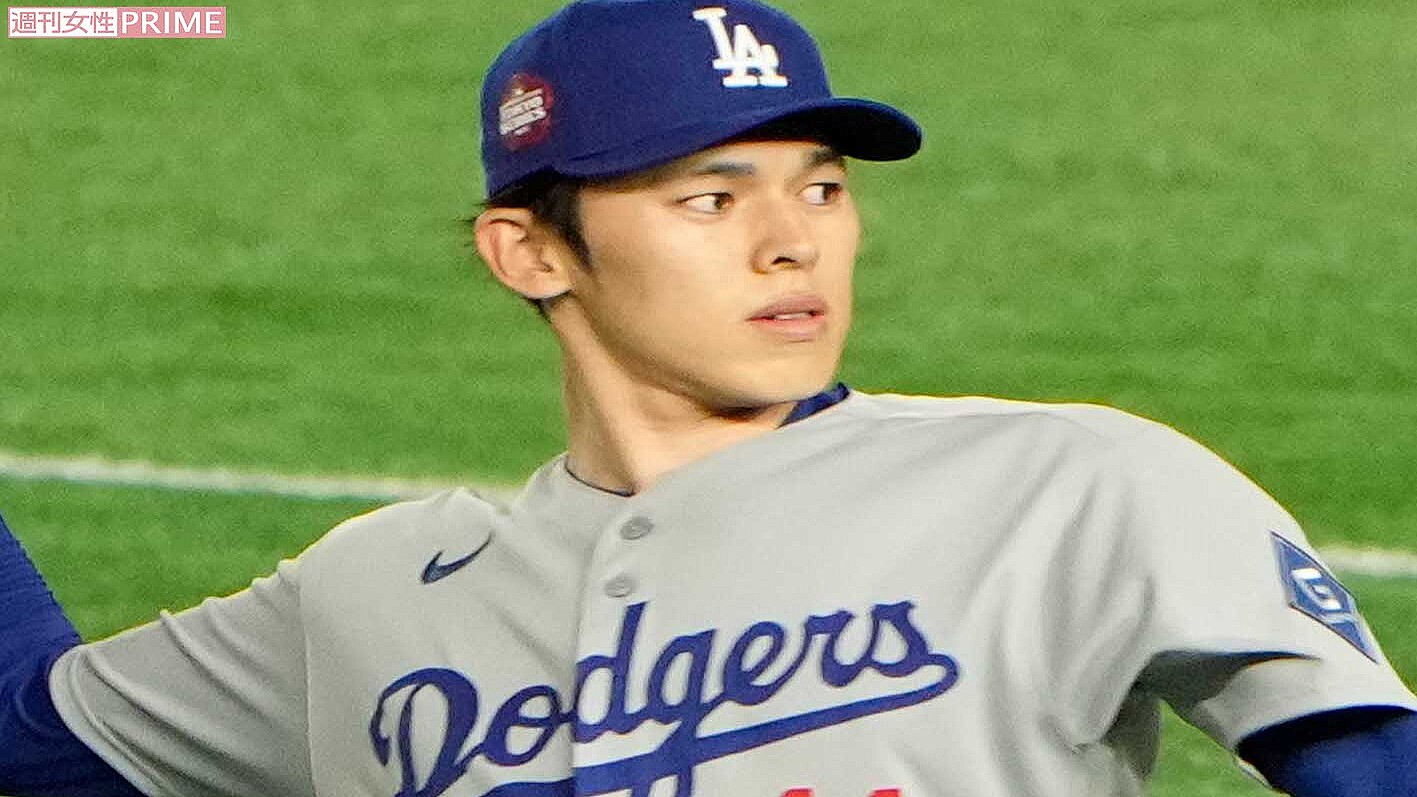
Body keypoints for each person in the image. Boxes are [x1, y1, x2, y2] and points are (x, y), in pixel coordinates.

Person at [2, 1, 1415, 796]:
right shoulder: (370, 596)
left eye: (822, 188)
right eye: (709, 198)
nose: (791, 242)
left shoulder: (1080, 485)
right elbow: (30, 734)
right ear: (531, 252)